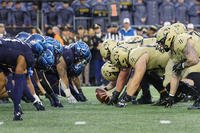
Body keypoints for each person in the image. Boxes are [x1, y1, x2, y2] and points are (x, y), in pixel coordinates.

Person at [0, 34, 55, 121]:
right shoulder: (27, 55)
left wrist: (34, 101)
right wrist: (17, 111)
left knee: (4, 80)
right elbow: (20, 83)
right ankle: (17, 111)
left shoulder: (19, 47)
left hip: (2, 53)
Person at [156, 23, 200, 109]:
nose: (161, 45)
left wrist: (182, 65)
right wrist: (171, 96)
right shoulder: (173, 51)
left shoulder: (180, 39)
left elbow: (194, 60)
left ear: (168, 37)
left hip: (197, 60)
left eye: (161, 42)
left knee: (192, 77)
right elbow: (175, 74)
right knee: (175, 82)